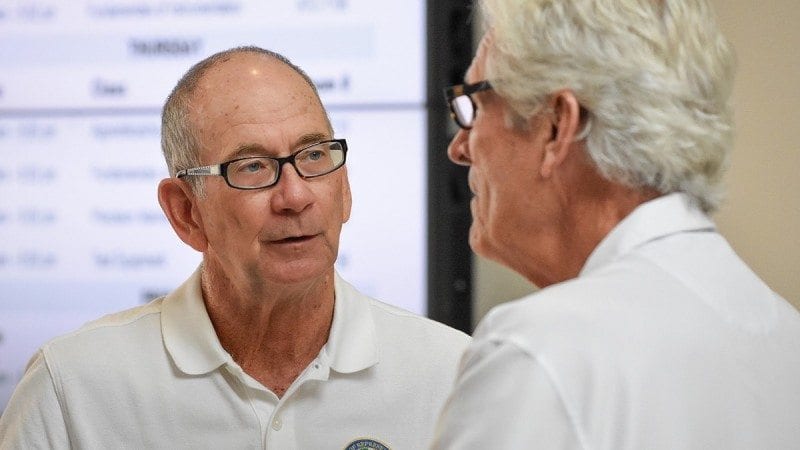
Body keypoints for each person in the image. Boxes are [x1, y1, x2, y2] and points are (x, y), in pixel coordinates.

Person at [0, 46, 470, 449]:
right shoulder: (71, 388)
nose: (296, 196)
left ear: (344, 188)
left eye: (313, 156)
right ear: (186, 213)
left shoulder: (455, 375)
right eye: (252, 167)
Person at [431, 0, 800, 448]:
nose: (459, 148)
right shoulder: (785, 336)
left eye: (473, 107)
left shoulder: (539, 352)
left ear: (556, 126)